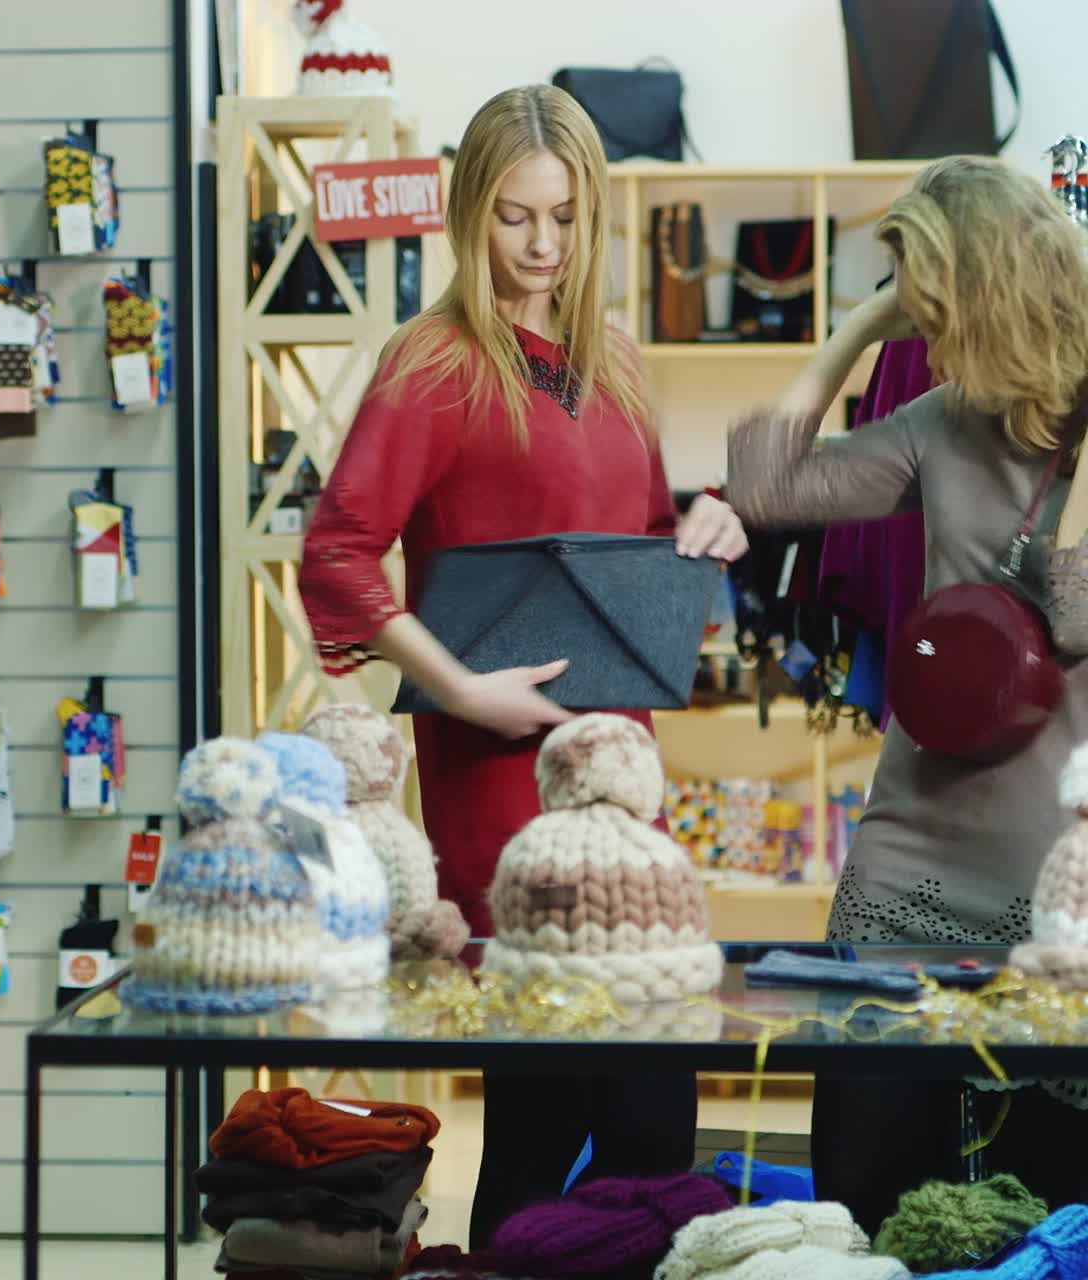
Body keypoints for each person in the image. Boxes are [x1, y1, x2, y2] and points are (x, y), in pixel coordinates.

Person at [298, 83, 746, 1246]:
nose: (541, 247)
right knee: (543, 1106)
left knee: (655, 1109)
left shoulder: (618, 360)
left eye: (562, 217)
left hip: (619, 774)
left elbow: (637, 540)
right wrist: (453, 686)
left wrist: (706, 533)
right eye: (512, 217)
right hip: (495, 769)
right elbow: (337, 553)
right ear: (465, 215)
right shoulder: (433, 362)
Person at [725, 155, 1088, 1235]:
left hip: (1059, 885)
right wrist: (858, 326)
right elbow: (765, 486)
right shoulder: (939, 417)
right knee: (861, 1190)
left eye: (938, 308)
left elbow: (1069, 607)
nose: (931, 338)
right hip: (909, 858)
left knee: (1044, 1215)